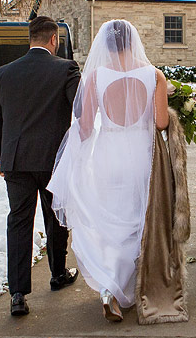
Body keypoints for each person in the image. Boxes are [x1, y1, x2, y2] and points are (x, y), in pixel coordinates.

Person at [48, 19, 169, 321]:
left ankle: (108, 288)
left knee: (111, 225)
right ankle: (124, 286)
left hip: (108, 156)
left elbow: (86, 125)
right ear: (133, 41)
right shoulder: (154, 76)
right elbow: (162, 122)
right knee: (136, 223)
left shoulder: (95, 77)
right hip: (141, 156)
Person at [0, 16, 81, 317]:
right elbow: (80, 108)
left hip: (15, 159)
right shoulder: (65, 69)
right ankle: (57, 273)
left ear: (30, 39)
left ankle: (17, 294)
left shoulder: (4, 72)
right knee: (55, 216)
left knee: (18, 221)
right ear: (54, 40)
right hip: (53, 158)